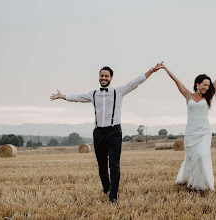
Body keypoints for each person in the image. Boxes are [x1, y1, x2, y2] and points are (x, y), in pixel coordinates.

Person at [50, 63, 162, 203]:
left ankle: (113, 196)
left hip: (114, 131)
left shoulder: (118, 91)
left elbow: (136, 82)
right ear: (99, 77)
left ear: (111, 78)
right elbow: (77, 97)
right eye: (101, 76)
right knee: (101, 164)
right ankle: (106, 189)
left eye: (106, 76)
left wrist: (151, 70)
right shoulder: (93, 93)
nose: (103, 78)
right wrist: (63, 96)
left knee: (114, 165)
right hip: (98, 133)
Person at [159, 60, 216, 193]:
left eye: (208, 85)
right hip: (191, 133)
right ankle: (191, 182)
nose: (207, 88)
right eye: (204, 85)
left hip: (204, 133)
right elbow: (176, 81)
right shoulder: (188, 95)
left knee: (202, 156)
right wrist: (165, 68)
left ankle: (201, 185)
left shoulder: (208, 97)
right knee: (192, 158)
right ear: (197, 84)